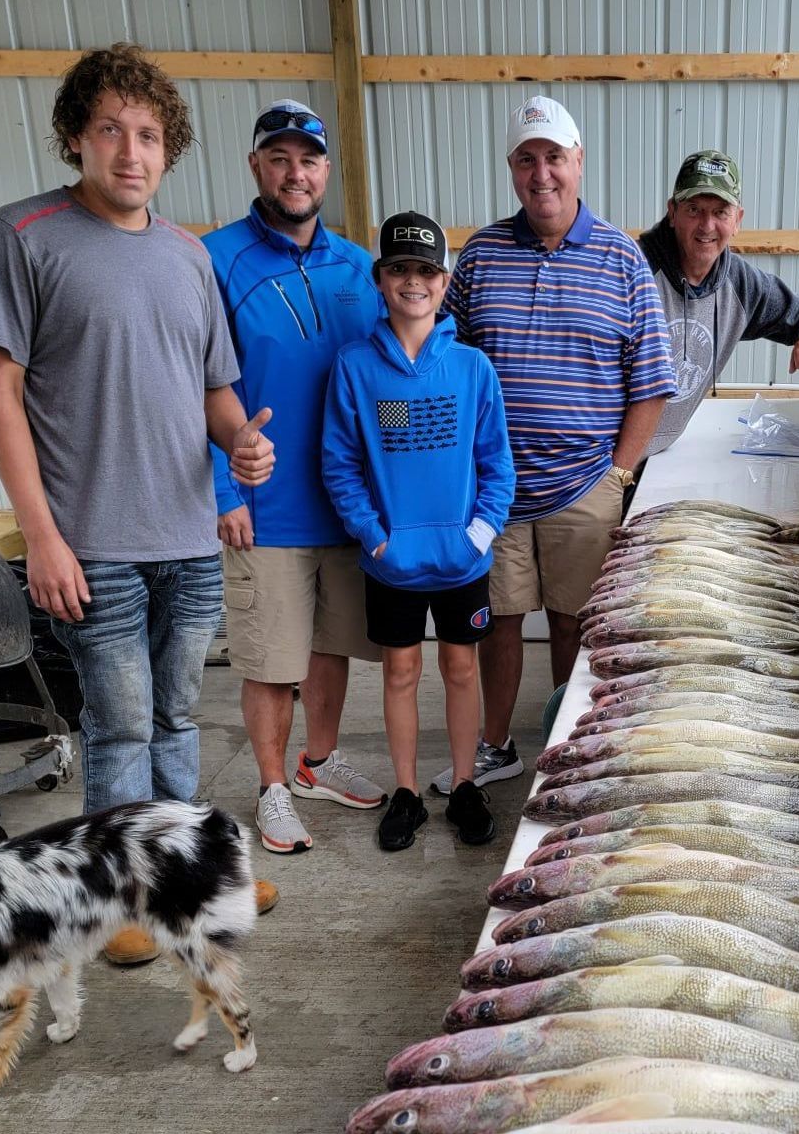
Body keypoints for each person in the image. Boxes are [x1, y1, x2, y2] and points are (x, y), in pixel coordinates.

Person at [0, 42, 279, 966]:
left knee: (181, 716)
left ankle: (183, 878)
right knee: (119, 723)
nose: (130, 151)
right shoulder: (24, 235)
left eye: (148, 134)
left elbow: (214, 390)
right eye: (110, 129)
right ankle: (119, 899)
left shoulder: (189, 256)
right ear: (76, 137)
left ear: (168, 149)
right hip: (91, 541)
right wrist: (41, 536)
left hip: (186, 536)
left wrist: (242, 442)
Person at [437, 95, 676, 796]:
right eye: (526, 159)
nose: (541, 173)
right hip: (498, 490)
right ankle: (497, 743)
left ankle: (569, 746)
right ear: (512, 169)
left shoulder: (623, 258)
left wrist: (618, 473)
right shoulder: (480, 254)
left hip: (584, 484)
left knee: (576, 621)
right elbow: (446, 360)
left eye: (554, 158)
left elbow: (651, 382)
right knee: (500, 620)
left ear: (578, 162)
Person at [204, 99, 388, 857]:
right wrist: (224, 491)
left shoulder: (357, 265)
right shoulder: (214, 259)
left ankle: (317, 759)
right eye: (279, 158)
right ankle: (273, 785)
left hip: (342, 504)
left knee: (329, 645)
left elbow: (386, 374)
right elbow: (197, 382)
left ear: (326, 170)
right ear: (256, 167)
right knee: (269, 657)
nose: (295, 172)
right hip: (264, 507)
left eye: (308, 159)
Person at [322, 212, 514, 851]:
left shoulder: (473, 368)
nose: (414, 281)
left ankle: (464, 783)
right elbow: (342, 463)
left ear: (445, 281)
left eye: (426, 270)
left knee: (462, 670)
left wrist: (477, 535)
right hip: (391, 562)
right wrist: (375, 538)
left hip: (461, 560)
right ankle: (405, 792)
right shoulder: (355, 368)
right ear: (381, 280)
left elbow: (497, 466)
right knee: (399, 674)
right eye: (400, 269)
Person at [640, 149, 799, 457]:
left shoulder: (739, 283)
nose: (707, 226)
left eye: (721, 212)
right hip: (602, 462)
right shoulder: (634, 271)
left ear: (737, 220)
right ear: (672, 213)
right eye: (694, 209)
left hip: (657, 458)